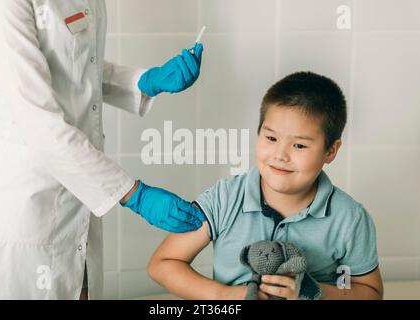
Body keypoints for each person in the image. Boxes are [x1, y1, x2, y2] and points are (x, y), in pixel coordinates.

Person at [0, 0, 205, 299]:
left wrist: (143, 82)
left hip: (80, 189)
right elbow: (38, 120)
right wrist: (135, 194)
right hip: (22, 199)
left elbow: (72, 65)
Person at [147, 72, 384, 300]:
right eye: (271, 138)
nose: (280, 155)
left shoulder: (350, 218)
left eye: (299, 146)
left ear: (331, 150)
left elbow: (370, 292)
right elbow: (163, 264)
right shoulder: (224, 198)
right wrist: (224, 295)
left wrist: (313, 294)